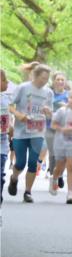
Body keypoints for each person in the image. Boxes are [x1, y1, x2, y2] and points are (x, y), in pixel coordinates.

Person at [7, 64, 54, 203]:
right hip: (21, 131)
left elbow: (50, 113)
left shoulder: (48, 93)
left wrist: (48, 112)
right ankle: (14, 178)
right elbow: (10, 105)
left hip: (38, 132)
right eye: (42, 78)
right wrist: (19, 115)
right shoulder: (23, 88)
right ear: (35, 75)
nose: (44, 81)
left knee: (33, 162)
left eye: (47, 79)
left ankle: (28, 192)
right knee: (20, 163)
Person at [48, 89, 72, 204]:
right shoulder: (62, 111)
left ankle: (70, 193)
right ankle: (54, 178)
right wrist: (63, 129)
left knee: (71, 167)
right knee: (60, 166)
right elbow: (53, 125)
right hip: (60, 141)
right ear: (68, 98)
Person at [42, 71, 70, 183]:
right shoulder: (48, 94)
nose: (60, 81)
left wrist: (67, 106)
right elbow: (42, 107)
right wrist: (46, 111)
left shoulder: (68, 95)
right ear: (54, 81)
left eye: (62, 79)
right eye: (58, 79)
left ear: (65, 82)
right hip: (49, 127)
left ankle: (59, 174)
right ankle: (54, 175)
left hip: (63, 129)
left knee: (62, 152)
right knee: (53, 152)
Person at [0, 69, 11, 200]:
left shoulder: (5, 99)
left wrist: (10, 127)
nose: (7, 82)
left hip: (2, 147)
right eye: (4, 80)